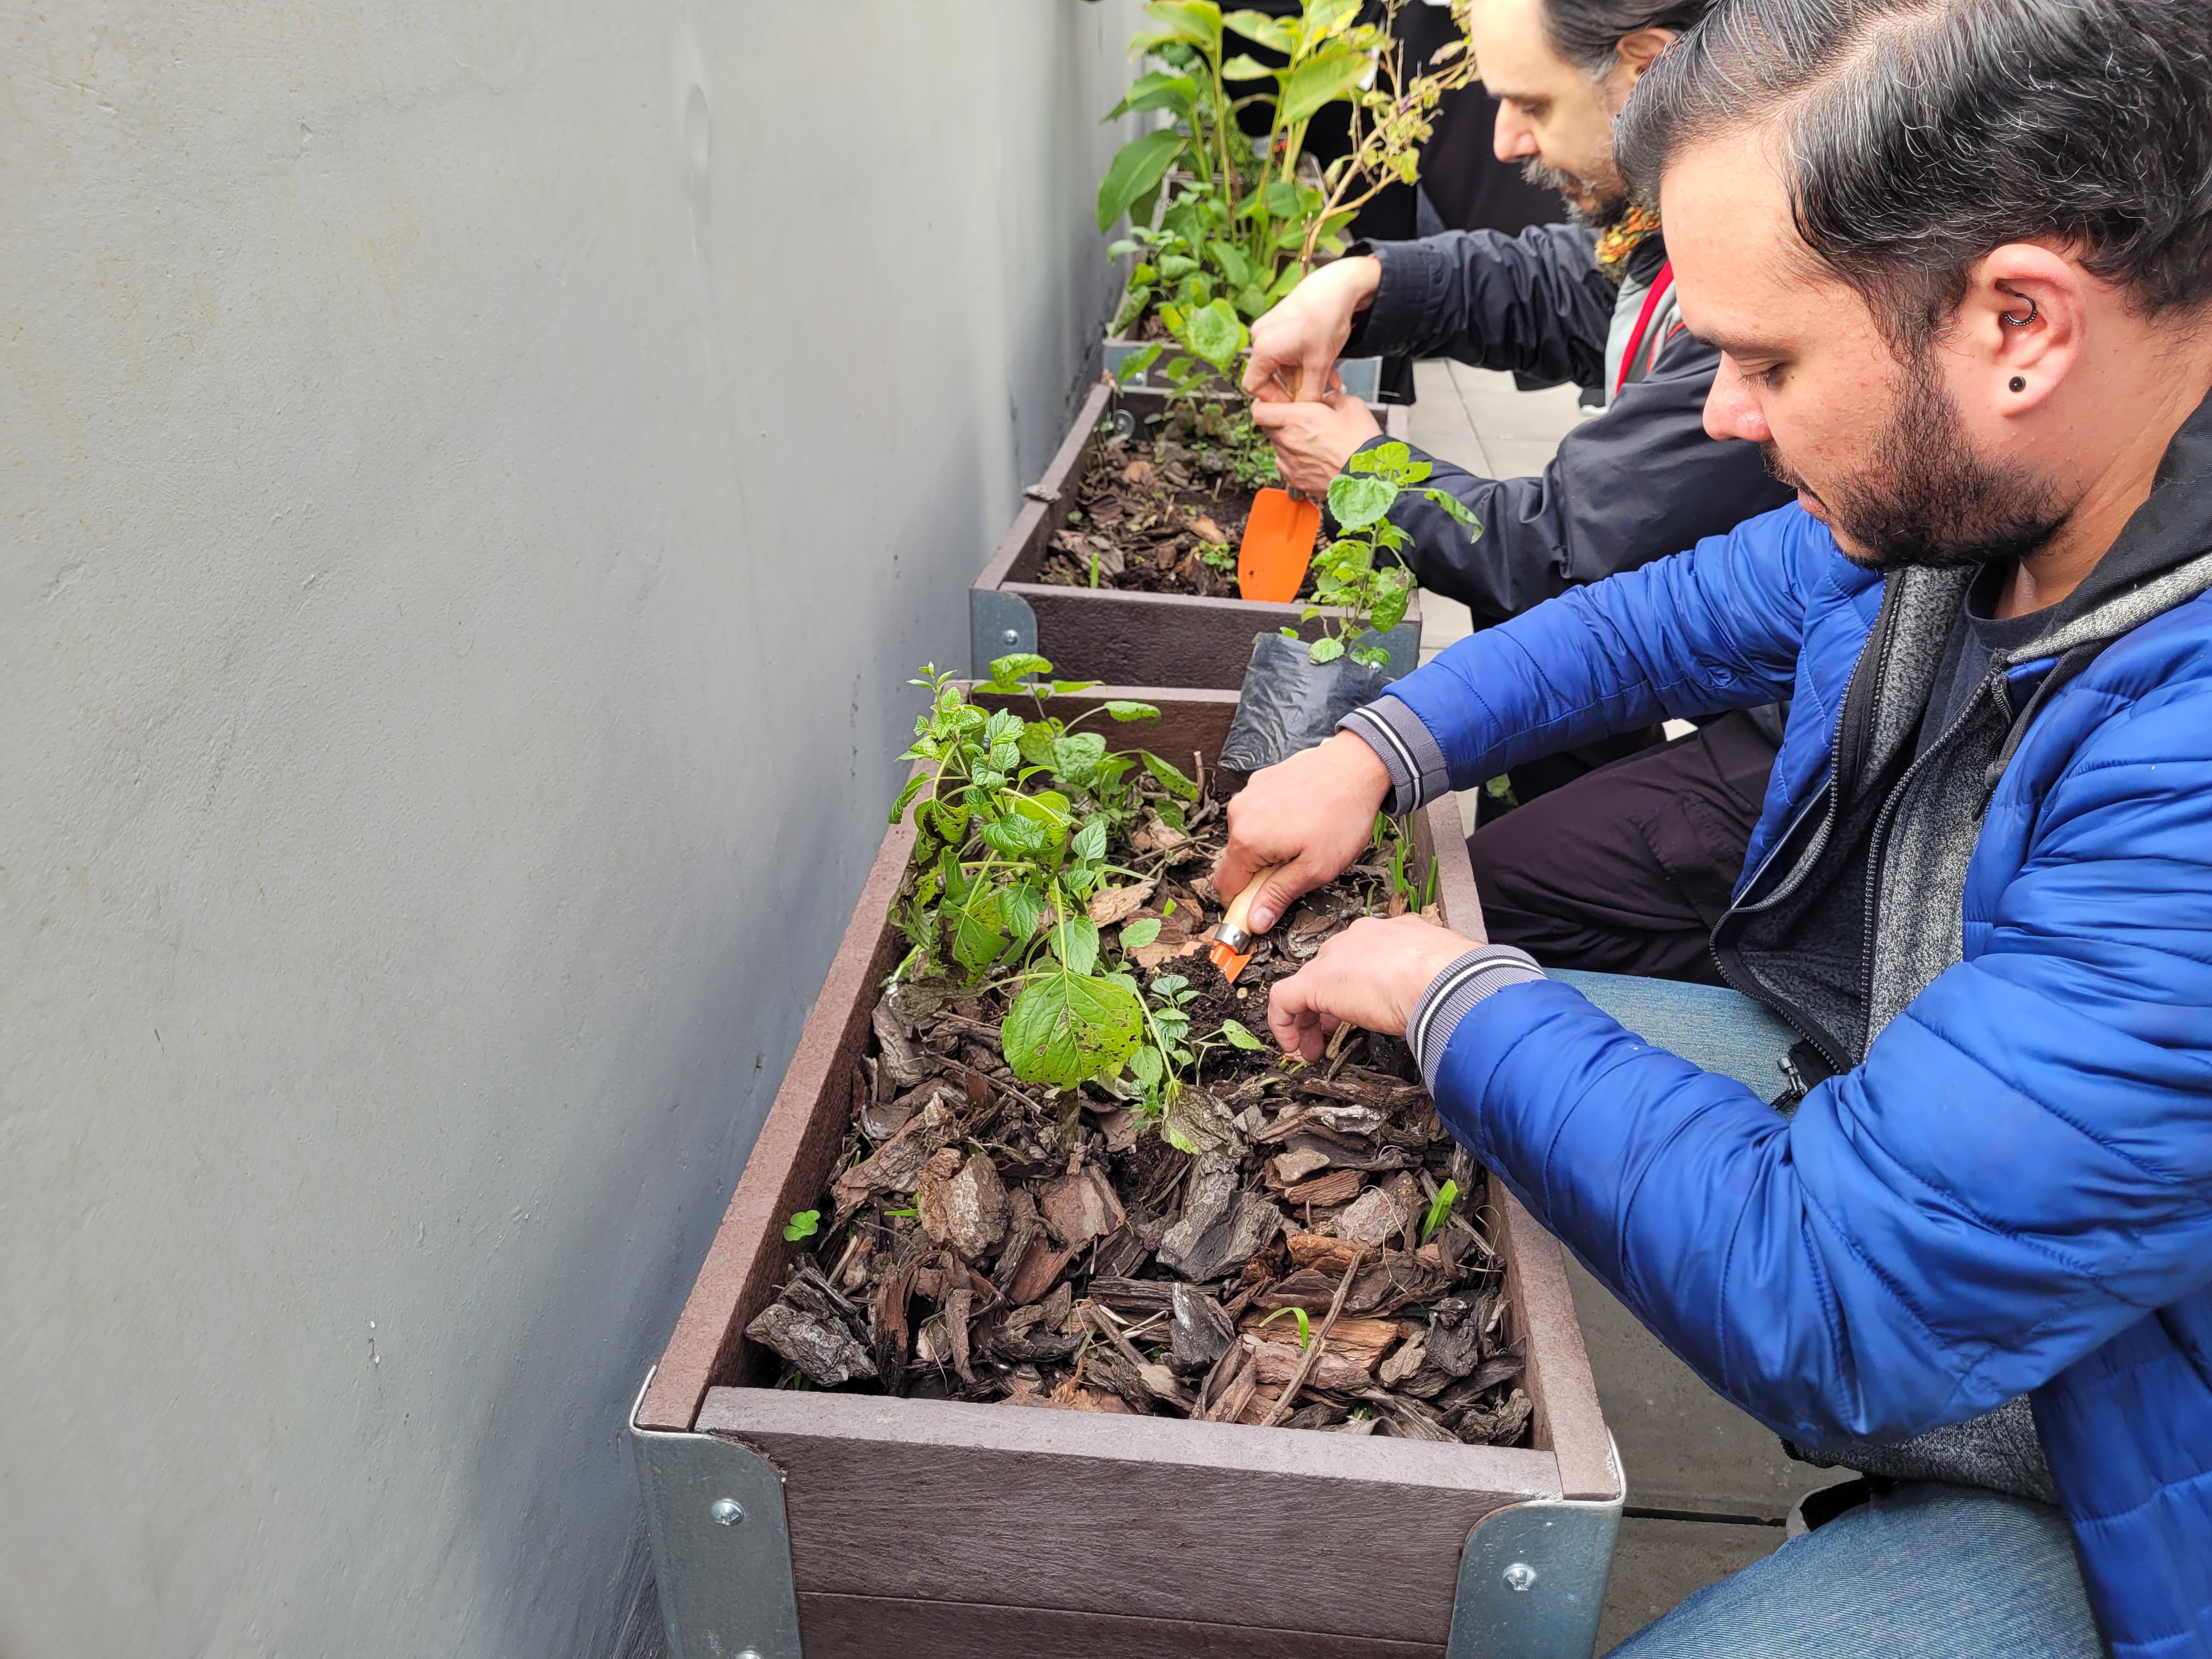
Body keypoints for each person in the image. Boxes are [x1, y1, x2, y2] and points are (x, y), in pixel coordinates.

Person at [1216, 0, 2212, 1651]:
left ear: (2022, 323)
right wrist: (1384, 748)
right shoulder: (2012, 493)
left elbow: (1845, 1294)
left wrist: (1460, 997)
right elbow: (1666, 617)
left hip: (2135, 1467)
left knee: (1461, 1007)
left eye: (1768, 358)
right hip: (1965, 1223)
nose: (1725, 417)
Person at [1243, 0, 1797, 984]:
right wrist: (1367, 284)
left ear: (1645, 67)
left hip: (1811, 747)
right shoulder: (1719, 200)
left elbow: (1560, 557)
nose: (1503, 142)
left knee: (1481, 901)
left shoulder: (1780, 261)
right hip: (1770, 663)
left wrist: (1365, 472)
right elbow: (1579, 285)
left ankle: (1748, 978)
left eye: (1529, 101)